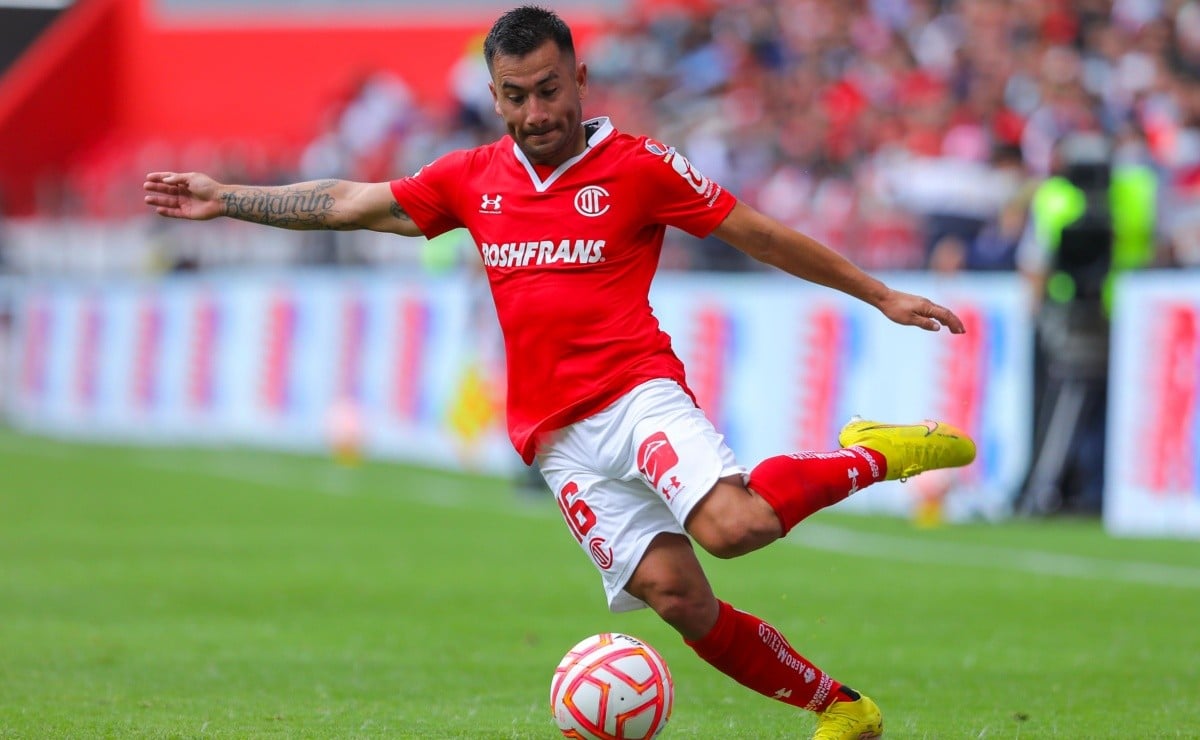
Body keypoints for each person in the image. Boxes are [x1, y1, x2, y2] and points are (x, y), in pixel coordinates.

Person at [143, 7, 976, 738]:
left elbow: (756, 233)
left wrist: (878, 294)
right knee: (679, 599)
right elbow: (352, 203)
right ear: (494, 94)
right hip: (555, 440)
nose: (536, 112)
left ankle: (875, 451)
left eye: (549, 90)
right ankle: (844, 709)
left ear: (579, 77)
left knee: (734, 530)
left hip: (636, 393)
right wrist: (230, 197)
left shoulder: (640, 166)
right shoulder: (470, 179)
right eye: (516, 96)